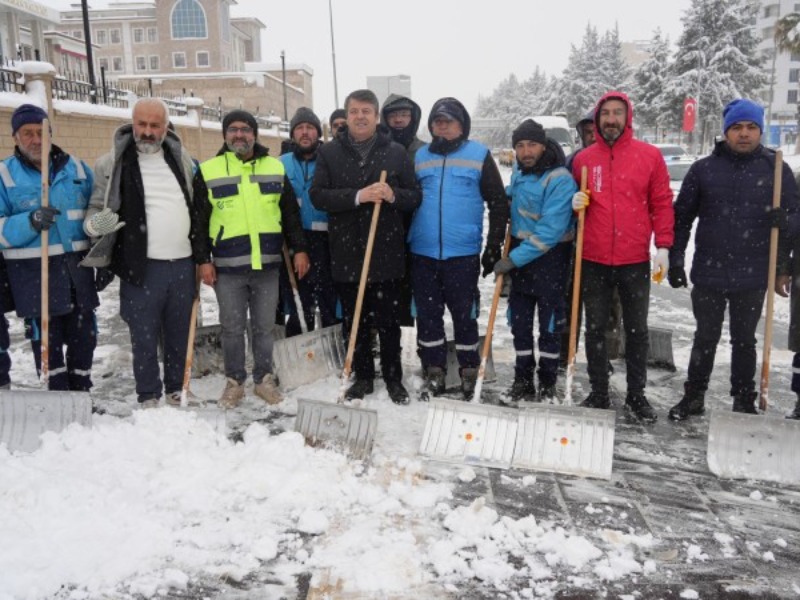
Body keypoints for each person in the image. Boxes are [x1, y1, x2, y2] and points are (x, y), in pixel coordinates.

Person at [669, 98, 799, 419]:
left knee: (745, 341)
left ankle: (743, 400)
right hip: (709, 272)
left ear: (760, 131)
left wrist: (785, 223)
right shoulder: (704, 170)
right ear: (726, 131)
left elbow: (795, 217)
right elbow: (681, 217)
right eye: (737, 127)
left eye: (751, 127)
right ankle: (695, 395)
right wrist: (675, 257)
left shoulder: (777, 169)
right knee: (705, 337)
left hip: (754, 273)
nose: (744, 134)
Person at [82, 98, 204, 408]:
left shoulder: (181, 159)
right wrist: (95, 224)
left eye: (154, 125)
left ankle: (177, 389)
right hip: (141, 266)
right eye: (142, 124)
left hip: (182, 263)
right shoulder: (111, 163)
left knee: (180, 332)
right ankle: (149, 394)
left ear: (165, 127)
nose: (147, 132)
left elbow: (193, 202)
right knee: (144, 335)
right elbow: (96, 208)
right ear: (132, 124)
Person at [310, 89, 421, 404]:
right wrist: (359, 196)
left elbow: (414, 196)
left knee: (388, 321)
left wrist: (392, 195)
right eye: (355, 111)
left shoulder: (396, 152)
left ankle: (393, 377)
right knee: (354, 321)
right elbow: (317, 195)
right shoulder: (330, 153)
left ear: (375, 117)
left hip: (385, 251)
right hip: (346, 252)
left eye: (366, 111)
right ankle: (363, 377)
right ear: (347, 116)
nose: (360, 117)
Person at [194, 109, 309, 409]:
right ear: (224, 135)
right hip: (227, 268)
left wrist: (299, 249)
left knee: (264, 327)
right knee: (231, 328)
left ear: (254, 134)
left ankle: (263, 380)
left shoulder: (274, 167)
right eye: (233, 129)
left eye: (245, 129)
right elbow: (198, 221)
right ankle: (235, 382)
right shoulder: (209, 170)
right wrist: (202, 259)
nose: (239, 135)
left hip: (267, 265)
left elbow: (290, 215)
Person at [571, 91, 674, 422]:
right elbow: (570, 206)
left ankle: (636, 394)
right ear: (597, 120)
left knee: (636, 329)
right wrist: (575, 205)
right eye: (605, 114)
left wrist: (663, 247)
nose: (611, 119)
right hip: (594, 257)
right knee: (595, 328)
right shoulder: (584, 160)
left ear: (627, 118)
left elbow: (661, 202)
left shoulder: (649, 156)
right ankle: (599, 391)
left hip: (633, 259)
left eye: (617, 113)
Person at [409, 97, 509, 400]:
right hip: (423, 252)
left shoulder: (478, 155)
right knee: (427, 315)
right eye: (437, 121)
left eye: (448, 121)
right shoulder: (419, 157)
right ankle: (434, 371)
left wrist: (493, 247)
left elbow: (498, 202)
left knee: (464, 315)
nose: (442, 126)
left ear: (461, 125)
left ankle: (468, 370)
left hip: (462, 254)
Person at [0, 104, 98, 391]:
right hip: (33, 274)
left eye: (41, 132)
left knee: (85, 336)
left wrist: (103, 254)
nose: (35, 139)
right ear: (16, 137)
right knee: (47, 341)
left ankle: (82, 395)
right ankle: (56, 397)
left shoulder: (78, 168)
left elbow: (95, 212)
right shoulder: (5, 175)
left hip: (76, 271)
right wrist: (29, 221)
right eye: (27, 133)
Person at [493, 120, 576, 402]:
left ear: (543, 145)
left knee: (550, 325)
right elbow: (516, 196)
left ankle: (548, 383)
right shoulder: (519, 170)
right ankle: (523, 379)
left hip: (549, 258)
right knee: (519, 322)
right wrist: (505, 200)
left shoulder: (560, 179)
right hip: (519, 253)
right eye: (520, 146)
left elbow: (549, 232)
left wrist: (512, 260)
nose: (526, 151)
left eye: (531, 145)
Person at [280, 107, 337, 336]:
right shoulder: (280, 163)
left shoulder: (331, 159)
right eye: (300, 128)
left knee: (328, 299)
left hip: (327, 241)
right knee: (298, 301)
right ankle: (299, 346)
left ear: (318, 133)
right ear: (293, 134)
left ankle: (332, 345)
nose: (305, 133)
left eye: (310, 128)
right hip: (294, 240)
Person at [382, 94, 425, 329]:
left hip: (417, 226)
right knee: (386, 287)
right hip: (387, 226)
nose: (399, 120)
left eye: (404, 114)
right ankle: (384, 333)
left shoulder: (425, 151)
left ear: (413, 117)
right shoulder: (380, 148)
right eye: (393, 115)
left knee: (414, 286)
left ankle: (410, 331)